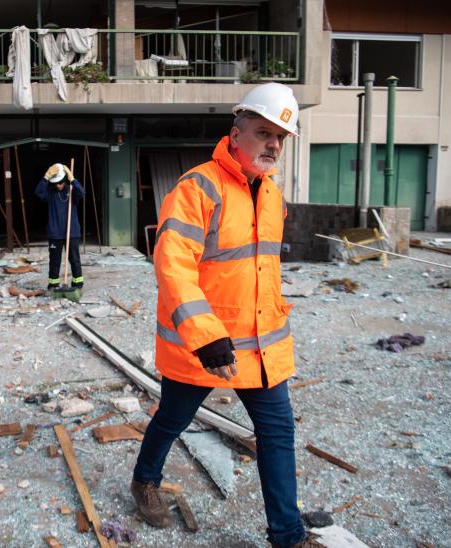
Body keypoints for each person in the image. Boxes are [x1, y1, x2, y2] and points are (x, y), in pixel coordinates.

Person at [131, 83, 322, 548]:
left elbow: (261, 270)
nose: (273, 145)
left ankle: (289, 536)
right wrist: (205, 335)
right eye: (263, 133)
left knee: (277, 433)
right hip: (205, 346)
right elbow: (173, 264)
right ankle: (144, 480)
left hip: (259, 348)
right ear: (235, 135)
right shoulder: (199, 186)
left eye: (281, 137)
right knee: (173, 418)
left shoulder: (272, 195)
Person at [35, 162, 86, 290]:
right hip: (55, 233)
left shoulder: (72, 190)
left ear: (65, 180)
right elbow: (38, 192)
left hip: (72, 232)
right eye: (55, 183)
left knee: (74, 260)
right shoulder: (50, 192)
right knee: (54, 262)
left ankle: (77, 284)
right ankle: (53, 285)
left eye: (60, 183)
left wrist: (73, 179)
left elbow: (82, 193)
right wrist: (45, 177)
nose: (58, 185)